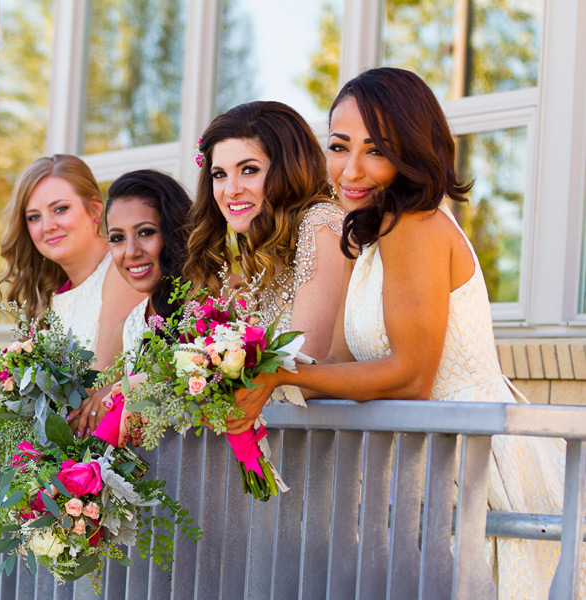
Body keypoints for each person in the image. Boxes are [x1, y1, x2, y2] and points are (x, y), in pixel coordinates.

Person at [230, 67, 574, 598]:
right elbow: (345, 366)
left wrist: (279, 375)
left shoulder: (415, 226)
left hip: (472, 465)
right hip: (425, 463)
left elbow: (412, 376)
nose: (351, 169)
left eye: (377, 150)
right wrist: (237, 370)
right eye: (339, 147)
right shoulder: (374, 237)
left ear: (413, 150)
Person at [182, 101, 346, 399]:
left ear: (288, 169)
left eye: (249, 170)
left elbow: (304, 370)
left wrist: (175, 389)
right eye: (219, 174)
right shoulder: (256, 249)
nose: (231, 189)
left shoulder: (321, 222)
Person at [68, 169, 192, 438]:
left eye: (145, 232)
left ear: (176, 232)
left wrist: (129, 389)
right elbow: (92, 408)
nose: (131, 252)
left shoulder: (209, 305)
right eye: (117, 238)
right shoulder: (130, 325)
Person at [0, 154, 144, 370]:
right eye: (34, 217)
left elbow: (101, 382)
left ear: (94, 208)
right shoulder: (55, 292)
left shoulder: (121, 271)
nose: (48, 226)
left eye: (60, 209)